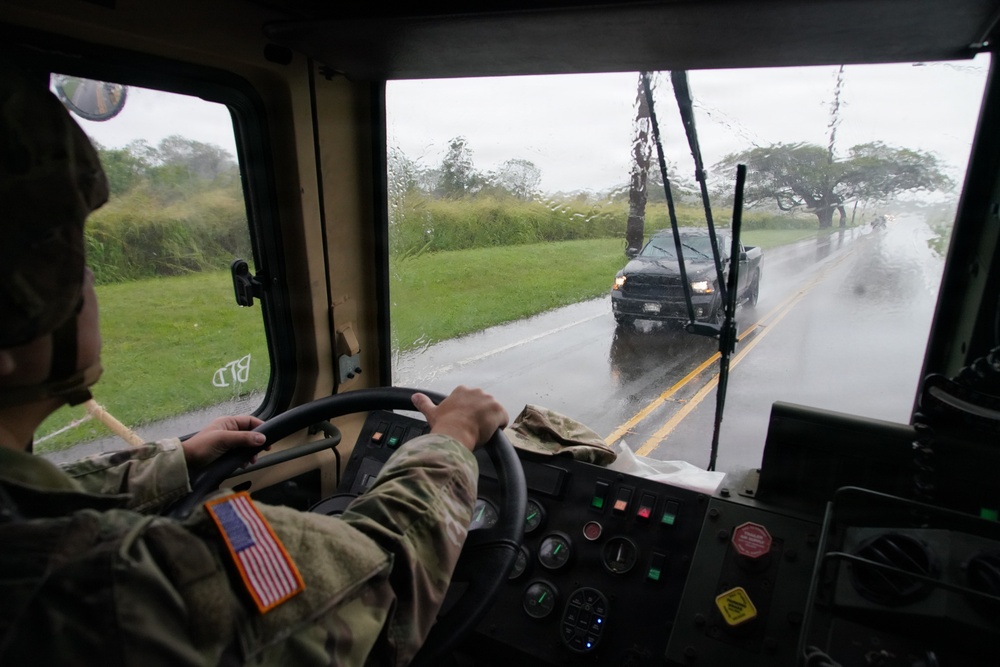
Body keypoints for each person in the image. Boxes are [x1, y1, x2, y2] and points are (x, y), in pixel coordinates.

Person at [0, 60, 509, 665]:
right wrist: (452, 439)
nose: (87, 283)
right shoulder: (111, 586)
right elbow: (378, 582)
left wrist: (179, 461)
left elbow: (41, 497)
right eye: (61, 259)